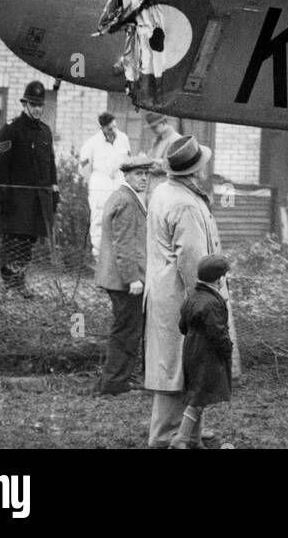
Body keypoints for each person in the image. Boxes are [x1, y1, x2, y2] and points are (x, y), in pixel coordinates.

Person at [144, 135, 237, 449]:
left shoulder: (164, 191)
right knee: (180, 365)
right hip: (181, 298)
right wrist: (207, 299)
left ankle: (189, 432)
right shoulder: (185, 203)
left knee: (179, 363)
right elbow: (194, 262)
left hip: (166, 293)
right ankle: (168, 436)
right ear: (194, 171)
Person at [0, 80, 59, 297]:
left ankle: (21, 283)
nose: (37, 109)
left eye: (40, 105)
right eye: (33, 104)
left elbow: (50, 164)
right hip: (15, 201)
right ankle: (10, 285)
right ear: (24, 104)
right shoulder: (10, 130)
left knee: (28, 242)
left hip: (37, 200)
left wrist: (54, 193)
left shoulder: (45, 132)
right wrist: (2, 198)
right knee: (13, 242)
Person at [94, 154, 152, 396]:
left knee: (125, 330)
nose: (144, 178)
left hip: (120, 279)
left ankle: (115, 381)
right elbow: (124, 243)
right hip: (125, 281)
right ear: (126, 175)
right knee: (127, 332)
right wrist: (133, 278)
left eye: (146, 174)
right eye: (139, 174)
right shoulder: (127, 200)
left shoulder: (124, 196)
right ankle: (115, 385)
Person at [171, 253, 233, 449]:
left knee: (200, 395)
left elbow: (182, 326)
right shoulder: (213, 302)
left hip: (191, 352)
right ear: (220, 279)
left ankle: (195, 440)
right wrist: (227, 349)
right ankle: (180, 439)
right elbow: (218, 333)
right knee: (199, 399)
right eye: (226, 276)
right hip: (208, 356)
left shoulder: (192, 297)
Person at [79, 112, 130, 261]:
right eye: (109, 128)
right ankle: (99, 259)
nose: (113, 131)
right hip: (100, 185)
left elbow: (127, 160)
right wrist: (94, 184)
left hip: (119, 184)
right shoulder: (92, 143)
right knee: (99, 220)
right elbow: (84, 168)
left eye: (115, 126)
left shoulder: (124, 139)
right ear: (102, 128)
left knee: (120, 220)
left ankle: (118, 260)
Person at [143, 112, 180, 196]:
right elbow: (151, 157)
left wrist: (157, 165)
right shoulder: (157, 140)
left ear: (163, 123)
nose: (153, 131)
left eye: (154, 127)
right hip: (152, 186)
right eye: (151, 128)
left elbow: (176, 166)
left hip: (166, 187)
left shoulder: (176, 139)